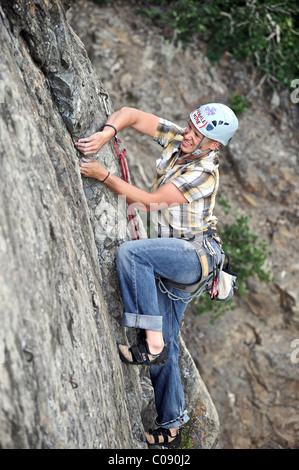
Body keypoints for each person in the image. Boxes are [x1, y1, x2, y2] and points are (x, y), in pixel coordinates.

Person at [75, 103, 238, 448]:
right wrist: (108, 132)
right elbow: (131, 114)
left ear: (214, 146)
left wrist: (103, 175)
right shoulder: (180, 140)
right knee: (166, 344)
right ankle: (171, 427)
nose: (190, 135)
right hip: (176, 257)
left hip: (194, 256)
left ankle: (149, 345)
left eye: (200, 134)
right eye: (192, 126)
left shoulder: (204, 172)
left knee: (133, 256)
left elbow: (149, 202)